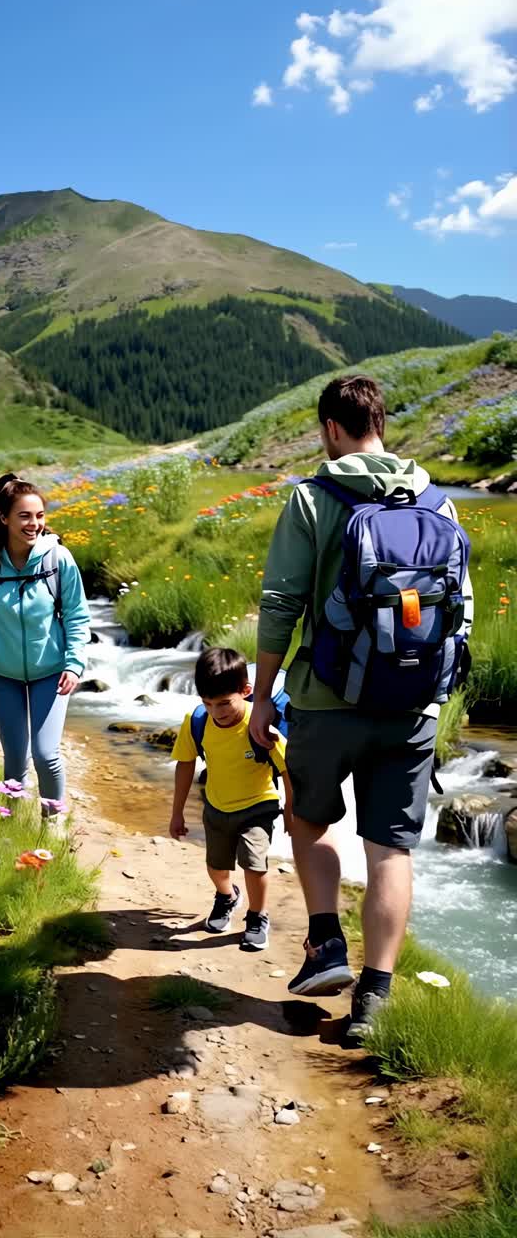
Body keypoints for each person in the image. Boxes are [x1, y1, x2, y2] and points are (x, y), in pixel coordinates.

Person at [251, 376, 472, 1041]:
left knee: (309, 817)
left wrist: (262, 698)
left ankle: (325, 946)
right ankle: (374, 998)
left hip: (326, 700)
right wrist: (434, 692)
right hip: (414, 706)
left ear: (331, 428)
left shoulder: (312, 499)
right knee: (391, 849)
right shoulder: (438, 501)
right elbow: (457, 609)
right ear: (381, 423)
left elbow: (281, 606)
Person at [0, 473, 90, 815]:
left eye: (40, 515)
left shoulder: (58, 559)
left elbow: (77, 616)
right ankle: (10, 821)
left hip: (52, 672)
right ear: (4, 518)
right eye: (25, 516)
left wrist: (74, 665)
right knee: (15, 757)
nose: (35, 524)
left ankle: (53, 822)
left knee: (46, 755)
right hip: (1, 674)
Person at [169, 647, 293, 953]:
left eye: (225, 703)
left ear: (246, 691)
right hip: (216, 806)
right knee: (216, 866)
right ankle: (227, 896)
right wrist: (177, 812)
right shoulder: (197, 721)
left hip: (259, 805)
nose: (217, 711)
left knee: (255, 866)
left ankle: (257, 917)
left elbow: (287, 768)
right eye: (208, 703)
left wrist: (291, 809)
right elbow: (185, 764)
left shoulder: (260, 724)